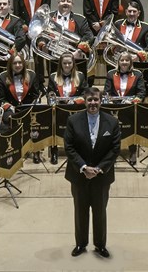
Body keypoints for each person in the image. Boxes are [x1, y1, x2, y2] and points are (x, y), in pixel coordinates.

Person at [64, 87, 121, 258]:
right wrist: (83, 167)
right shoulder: (73, 120)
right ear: (85, 101)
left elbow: (115, 149)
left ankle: (100, 245)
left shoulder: (112, 122)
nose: (93, 103)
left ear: (101, 100)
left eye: (96, 99)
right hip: (79, 175)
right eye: (89, 100)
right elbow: (69, 147)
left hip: (101, 177)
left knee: (100, 212)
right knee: (80, 211)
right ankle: (81, 244)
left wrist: (99, 169)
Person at [0, 53, 42, 162]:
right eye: (15, 63)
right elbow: (1, 99)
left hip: (28, 107)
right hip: (11, 108)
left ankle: (36, 151)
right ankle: (13, 151)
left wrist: (35, 104)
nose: (18, 65)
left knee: (37, 118)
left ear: (24, 63)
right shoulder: (2, 77)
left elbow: (36, 95)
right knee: (9, 119)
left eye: (20, 62)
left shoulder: (31, 75)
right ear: (10, 64)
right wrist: (9, 107)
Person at [103, 51, 145, 165]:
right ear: (118, 62)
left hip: (129, 107)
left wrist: (131, 101)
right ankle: (112, 152)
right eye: (122, 60)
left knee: (132, 122)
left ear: (131, 62)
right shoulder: (111, 74)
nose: (124, 62)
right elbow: (106, 92)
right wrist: (110, 101)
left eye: (127, 60)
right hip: (114, 106)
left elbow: (141, 93)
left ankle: (132, 150)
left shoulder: (138, 74)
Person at [47, 52, 89, 164]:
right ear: (60, 64)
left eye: (69, 63)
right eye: (64, 63)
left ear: (73, 63)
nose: (67, 65)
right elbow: (49, 94)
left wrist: (78, 99)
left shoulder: (80, 76)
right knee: (53, 121)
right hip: (59, 109)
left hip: (75, 108)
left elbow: (86, 93)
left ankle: (79, 150)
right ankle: (54, 150)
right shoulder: (53, 76)